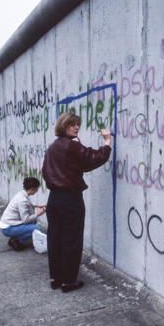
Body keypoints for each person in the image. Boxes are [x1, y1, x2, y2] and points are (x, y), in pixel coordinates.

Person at [42, 111, 112, 293]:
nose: (76, 127)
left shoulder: (52, 147)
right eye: (72, 124)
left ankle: (56, 278)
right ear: (63, 126)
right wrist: (107, 142)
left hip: (54, 199)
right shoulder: (71, 146)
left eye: (77, 124)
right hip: (70, 198)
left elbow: (47, 171)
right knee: (71, 239)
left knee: (55, 238)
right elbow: (93, 158)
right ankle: (68, 282)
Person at [0, 177, 46, 251]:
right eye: (37, 189)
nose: (37, 191)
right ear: (32, 189)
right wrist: (38, 214)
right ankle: (16, 241)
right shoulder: (22, 200)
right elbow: (26, 220)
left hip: (8, 225)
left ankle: (15, 237)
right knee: (37, 228)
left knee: (34, 222)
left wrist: (36, 206)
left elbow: (25, 207)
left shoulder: (22, 194)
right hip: (8, 228)